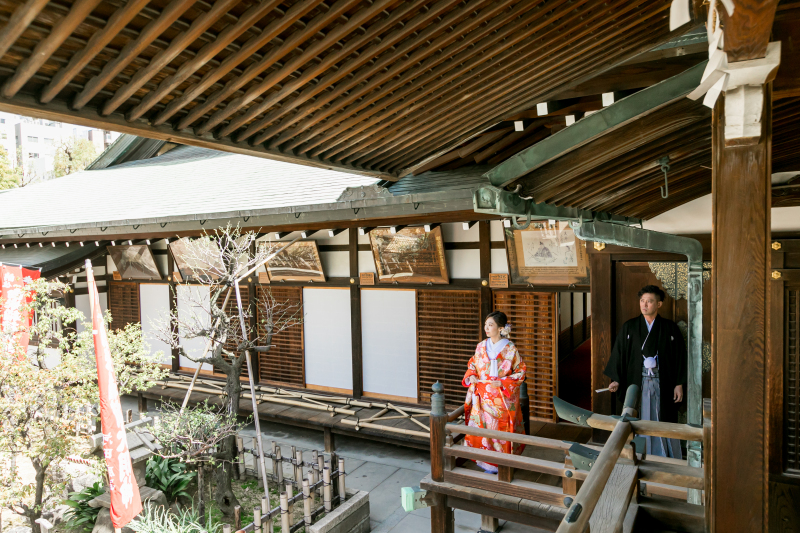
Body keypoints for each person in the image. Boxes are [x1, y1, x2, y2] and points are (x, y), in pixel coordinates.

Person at [604, 285, 687, 458]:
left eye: (649, 301)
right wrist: (617, 380)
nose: (644, 305)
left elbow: (679, 356)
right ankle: (637, 453)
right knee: (639, 417)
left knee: (663, 417)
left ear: (659, 304)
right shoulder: (630, 327)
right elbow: (620, 355)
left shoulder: (669, 328)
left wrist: (679, 383)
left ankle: (665, 454)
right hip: (638, 382)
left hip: (663, 383)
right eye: (642, 301)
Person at [462, 311, 527, 473]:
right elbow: (472, 364)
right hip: (482, 396)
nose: (486, 328)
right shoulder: (481, 346)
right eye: (486, 324)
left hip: (501, 399)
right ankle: (487, 463)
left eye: (490, 325)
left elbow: (520, 371)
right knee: (483, 431)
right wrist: (472, 375)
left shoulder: (510, 349)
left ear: (500, 328)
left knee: (499, 432)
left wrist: (504, 382)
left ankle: (502, 464)